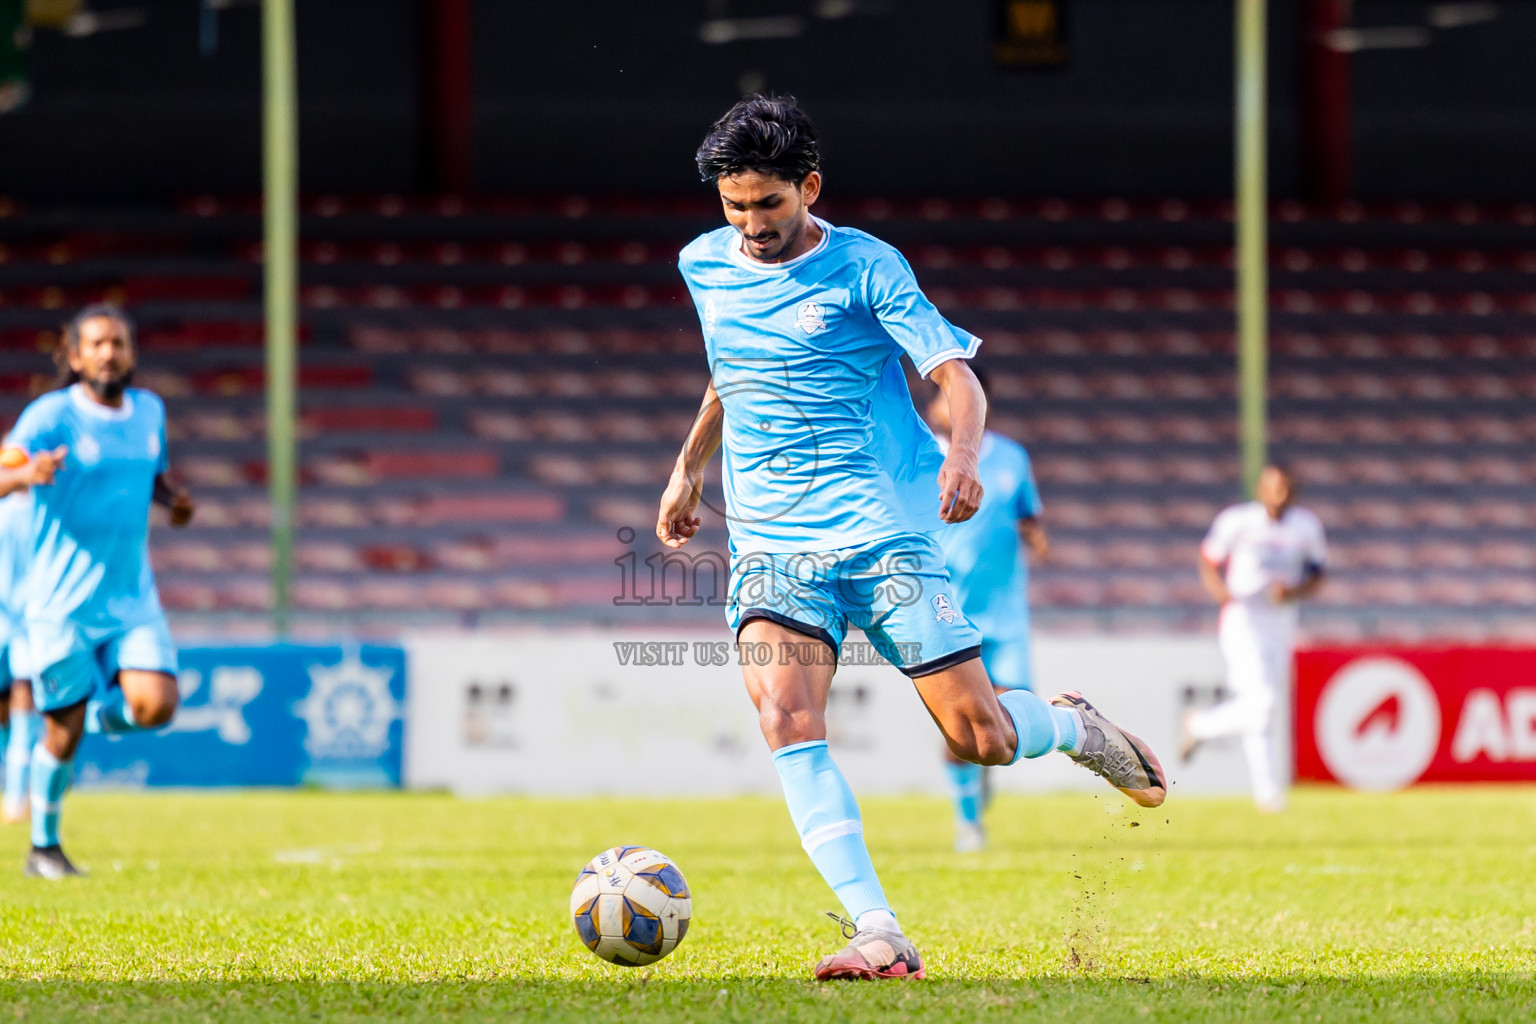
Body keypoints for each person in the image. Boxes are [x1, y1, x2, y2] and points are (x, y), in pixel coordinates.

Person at [657, 95, 1164, 981]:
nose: (751, 225)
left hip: (882, 534)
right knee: (785, 715)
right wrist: (687, 468)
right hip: (774, 545)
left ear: (808, 187)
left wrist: (962, 456)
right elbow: (728, 371)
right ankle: (877, 928)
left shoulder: (867, 267)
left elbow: (954, 377)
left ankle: (1072, 726)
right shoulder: (703, 264)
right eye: (735, 206)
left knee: (981, 737)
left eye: (769, 204)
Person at [0, 304, 195, 878]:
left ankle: (95, 717)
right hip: (61, 605)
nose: (110, 353)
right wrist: (24, 477)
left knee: (156, 705)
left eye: (119, 343)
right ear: (76, 355)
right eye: (98, 344)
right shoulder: (50, 416)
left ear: (131, 352)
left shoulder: (150, 412)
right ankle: (44, 846)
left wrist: (172, 502)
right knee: (60, 730)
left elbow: (149, 476)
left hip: (132, 597)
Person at [923, 371, 1048, 853]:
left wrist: (1037, 538)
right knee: (962, 724)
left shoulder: (1012, 458)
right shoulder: (921, 456)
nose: (942, 405)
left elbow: (1028, 515)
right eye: (938, 397)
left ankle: (986, 759)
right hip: (949, 615)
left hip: (1006, 613)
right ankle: (968, 821)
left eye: (951, 396)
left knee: (1013, 709)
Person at [1182, 462, 1326, 812]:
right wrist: (1222, 594)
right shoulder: (1237, 522)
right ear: (1260, 489)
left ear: (1294, 490)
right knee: (1262, 702)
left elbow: (1318, 573)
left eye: (1284, 487)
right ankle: (1266, 792)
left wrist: (1293, 593)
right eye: (1271, 486)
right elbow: (1208, 560)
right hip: (1243, 618)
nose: (1278, 494)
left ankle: (1205, 729)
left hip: (1280, 621)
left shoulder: (1306, 526)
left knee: (1264, 709)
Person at [0, 491, 35, 824]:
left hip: (13, 623)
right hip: (32, 624)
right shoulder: (44, 512)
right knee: (24, 708)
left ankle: (13, 797)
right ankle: (17, 797)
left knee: (9, 709)